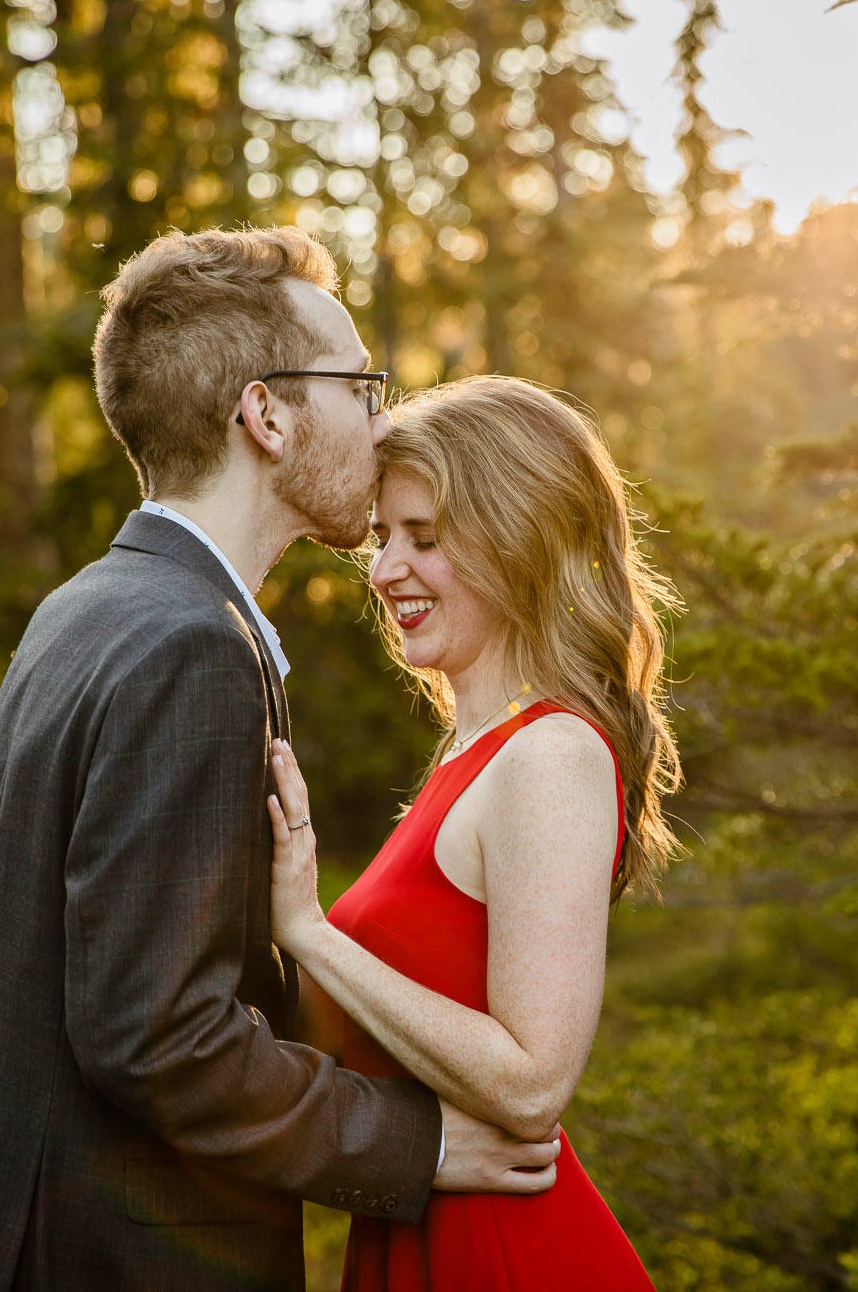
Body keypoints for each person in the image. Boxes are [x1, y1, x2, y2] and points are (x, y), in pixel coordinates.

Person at [0, 229, 561, 1292]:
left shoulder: (85, 606)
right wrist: (421, 1143)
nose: (382, 415)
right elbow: (156, 1036)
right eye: (359, 384)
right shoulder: (190, 647)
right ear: (265, 414)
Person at [261, 376, 681, 1291]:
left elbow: (533, 1083)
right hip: (422, 1225)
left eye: (425, 537)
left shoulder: (552, 754)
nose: (381, 571)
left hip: (503, 1254)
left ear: (517, 540)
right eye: (383, 538)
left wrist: (312, 933)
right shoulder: (472, 753)